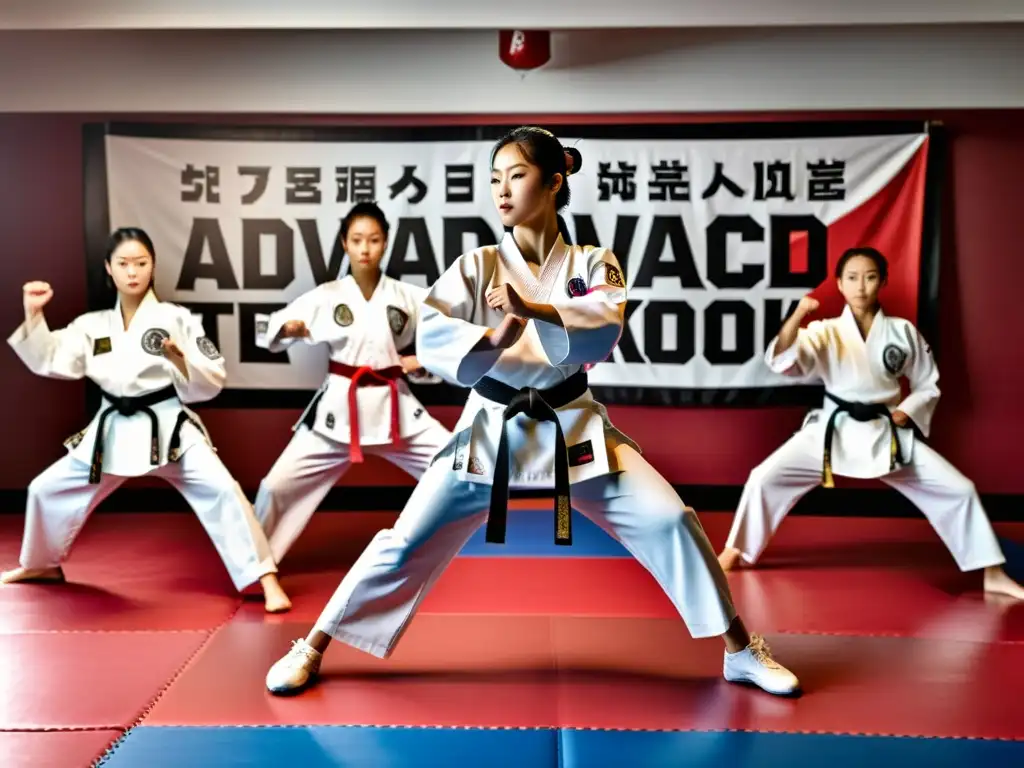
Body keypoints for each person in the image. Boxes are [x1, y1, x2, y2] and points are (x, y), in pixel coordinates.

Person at [264, 126, 800, 697]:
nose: (501, 190)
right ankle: (314, 643)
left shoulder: (596, 261)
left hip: (574, 428)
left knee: (670, 518)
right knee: (405, 540)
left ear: (553, 182)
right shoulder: (478, 263)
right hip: (489, 429)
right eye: (494, 178)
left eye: (515, 175)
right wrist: (492, 341)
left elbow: (604, 326)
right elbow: (436, 330)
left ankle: (741, 650)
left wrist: (534, 307)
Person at [2, 227, 292, 613]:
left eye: (141, 263)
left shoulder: (178, 319)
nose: (133, 272)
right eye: (123, 264)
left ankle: (264, 577)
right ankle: (40, 565)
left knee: (223, 490)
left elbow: (212, 377)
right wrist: (33, 313)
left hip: (167, 426)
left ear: (153, 266)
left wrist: (178, 360)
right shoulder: (93, 325)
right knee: (45, 488)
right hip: (112, 429)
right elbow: (52, 357)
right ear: (109, 268)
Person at [718, 247, 1024, 600]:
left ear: (882, 282)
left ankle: (992, 572)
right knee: (764, 477)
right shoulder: (825, 331)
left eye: (870, 277)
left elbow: (929, 383)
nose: (861, 286)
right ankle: (736, 551)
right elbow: (783, 361)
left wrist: (908, 409)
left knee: (960, 489)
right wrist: (797, 315)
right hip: (832, 431)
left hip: (885, 434)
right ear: (839, 284)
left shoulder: (901, 331)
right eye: (852, 278)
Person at [252, 202, 453, 565]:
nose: (365, 249)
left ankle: (457, 546)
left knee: (455, 463)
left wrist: (422, 361)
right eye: (357, 240)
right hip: (338, 414)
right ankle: (256, 569)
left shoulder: (407, 296)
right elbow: (269, 328)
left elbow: (449, 332)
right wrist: (289, 330)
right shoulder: (327, 295)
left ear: (386, 243)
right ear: (344, 243)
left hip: (396, 409)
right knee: (275, 486)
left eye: (374, 240)